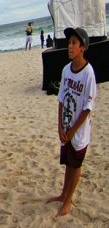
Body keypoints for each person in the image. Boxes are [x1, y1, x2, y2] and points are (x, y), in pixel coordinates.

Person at [47, 27, 97, 216]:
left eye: (74, 43)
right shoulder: (66, 70)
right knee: (68, 162)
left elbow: (87, 108)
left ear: (82, 48)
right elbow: (61, 98)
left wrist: (73, 130)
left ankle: (68, 201)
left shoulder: (88, 73)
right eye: (69, 43)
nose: (70, 46)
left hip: (79, 131)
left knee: (76, 165)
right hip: (66, 127)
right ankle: (63, 194)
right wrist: (60, 125)